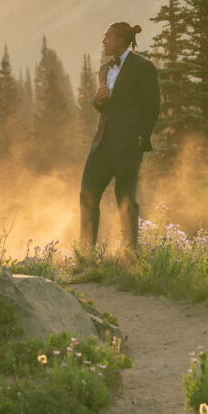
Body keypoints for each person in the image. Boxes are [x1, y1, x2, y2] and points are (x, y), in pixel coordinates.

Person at [79, 21, 160, 250]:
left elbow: (152, 106)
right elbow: (104, 107)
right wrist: (97, 99)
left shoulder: (143, 66)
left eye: (108, 36)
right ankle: (86, 254)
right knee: (87, 194)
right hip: (102, 144)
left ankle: (130, 255)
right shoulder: (104, 68)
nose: (104, 41)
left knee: (125, 200)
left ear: (122, 40)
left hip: (128, 146)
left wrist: (141, 137)